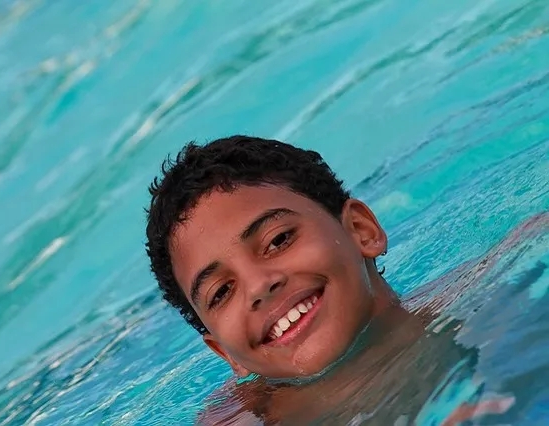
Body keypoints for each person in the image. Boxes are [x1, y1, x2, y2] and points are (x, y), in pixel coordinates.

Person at [145, 135, 523, 424]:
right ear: (226, 354)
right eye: (221, 292)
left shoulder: (509, 291)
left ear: (361, 230)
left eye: (278, 240)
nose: (259, 286)